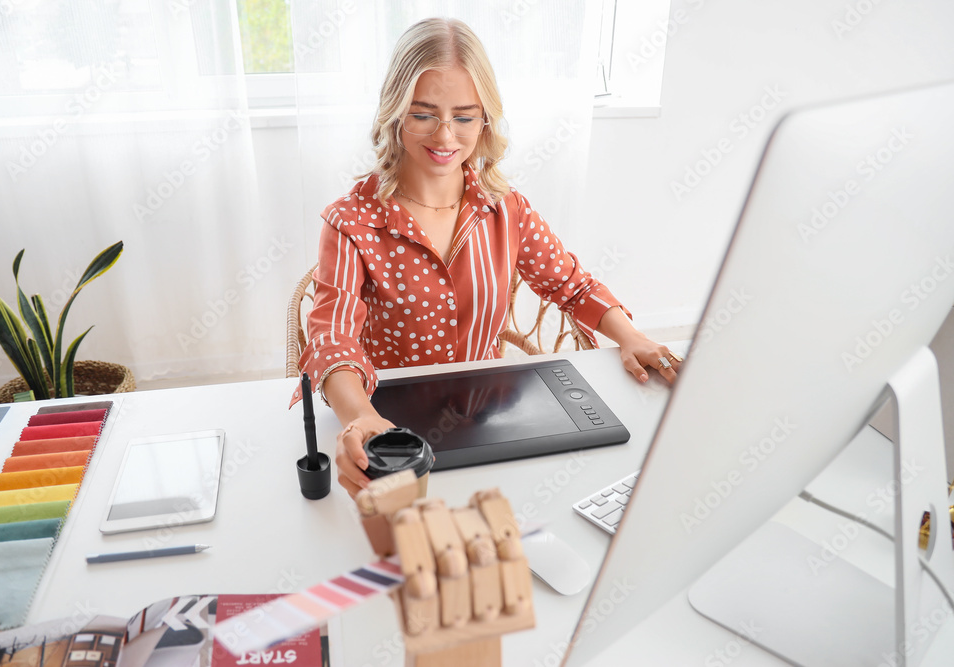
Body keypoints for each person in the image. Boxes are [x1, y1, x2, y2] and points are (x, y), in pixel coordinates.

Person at [290, 18, 682, 497]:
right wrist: (363, 417)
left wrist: (629, 336)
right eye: (424, 114)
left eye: (464, 116)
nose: (445, 136)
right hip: (391, 434)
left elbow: (571, 285)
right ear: (395, 113)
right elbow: (333, 340)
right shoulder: (350, 222)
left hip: (489, 427)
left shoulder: (505, 208)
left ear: (485, 119)